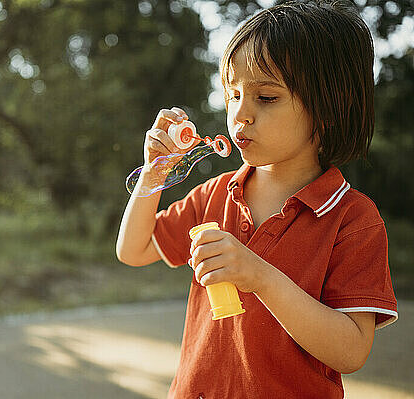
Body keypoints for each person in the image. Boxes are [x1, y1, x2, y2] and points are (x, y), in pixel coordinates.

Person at [116, 1, 398, 398]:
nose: (240, 115)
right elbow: (134, 249)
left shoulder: (353, 219)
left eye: (266, 98)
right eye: (233, 94)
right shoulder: (215, 193)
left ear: (329, 108)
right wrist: (154, 172)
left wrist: (260, 276)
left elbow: (351, 351)